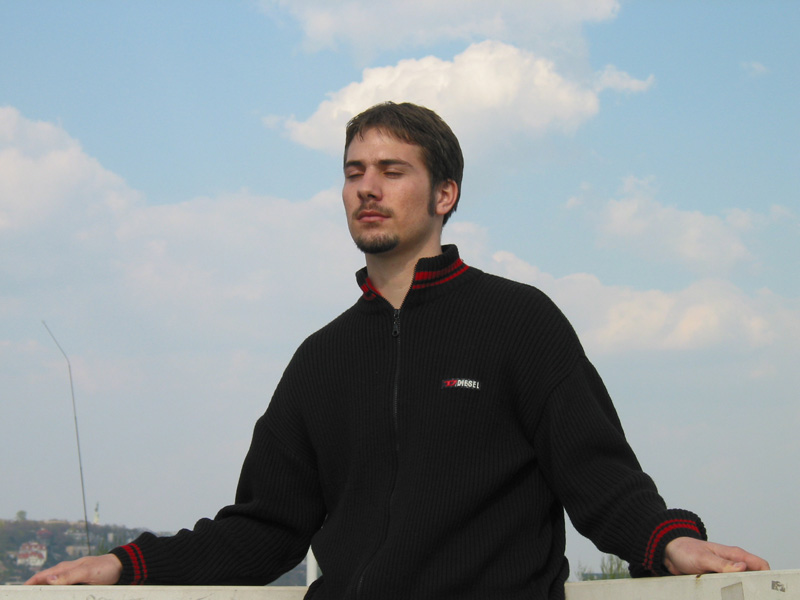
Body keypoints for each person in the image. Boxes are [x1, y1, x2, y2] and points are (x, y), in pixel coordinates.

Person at [27, 102, 769, 598]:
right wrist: (127, 564)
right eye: (354, 173)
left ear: (445, 194)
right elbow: (264, 528)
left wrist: (669, 542)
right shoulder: (320, 358)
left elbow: (599, 478)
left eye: (391, 171)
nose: (367, 189)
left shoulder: (519, 320)